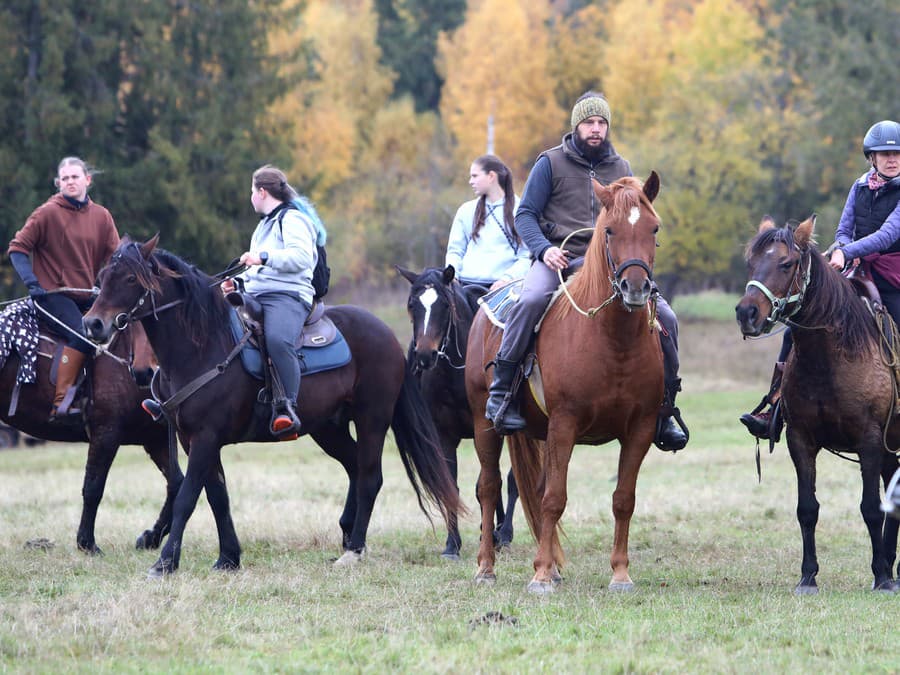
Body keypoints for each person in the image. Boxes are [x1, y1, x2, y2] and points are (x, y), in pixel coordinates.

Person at [485, 91, 688, 452]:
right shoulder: (549, 163)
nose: (595, 129)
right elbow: (525, 215)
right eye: (589, 122)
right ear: (576, 126)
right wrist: (544, 250)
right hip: (558, 258)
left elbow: (633, 220)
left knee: (667, 318)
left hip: (610, 263)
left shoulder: (622, 167)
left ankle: (665, 408)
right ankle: (502, 392)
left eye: (601, 123)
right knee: (530, 300)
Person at [741, 119, 900, 441]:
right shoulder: (859, 187)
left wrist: (846, 251)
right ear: (872, 158)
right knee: (799, 323)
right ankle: (775, 404)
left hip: (893, 275)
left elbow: (887, 235)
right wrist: (840, 248)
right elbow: (844, 229)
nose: (892, 159)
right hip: (857, 268)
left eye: (897, 153)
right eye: (885, 154)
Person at [7, 156, 120, 419]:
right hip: (51, 296)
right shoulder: (46, 213)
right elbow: (17, 249)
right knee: (82, 334)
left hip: (87, 296)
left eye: (75, 177)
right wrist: (32, 283)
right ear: (58, 183)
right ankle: (61, 403)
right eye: (65, 178)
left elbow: (115, 261)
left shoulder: (102, 216)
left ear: (87, 180)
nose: (70, 181)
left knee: (122, 332)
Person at [227, 165, 318, 440]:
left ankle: (287, 408)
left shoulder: (293, 219)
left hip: (288, 295)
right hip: (257, 294)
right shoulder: (263, 226)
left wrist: (264, 257)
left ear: (262, 192)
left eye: (252, 191)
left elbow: (301, 258)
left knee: (278, 340)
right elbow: (256, 270)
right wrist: (237, 282)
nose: (250, 197)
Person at [445, 154, 530, 291]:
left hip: (504, 290)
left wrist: (506, 279)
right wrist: (452, 277)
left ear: (491, 176)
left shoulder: (520, 211)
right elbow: (455, 251)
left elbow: (527, 256)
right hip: (464, 287)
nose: (470, 181)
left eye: (475, 176)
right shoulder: (466, 210)